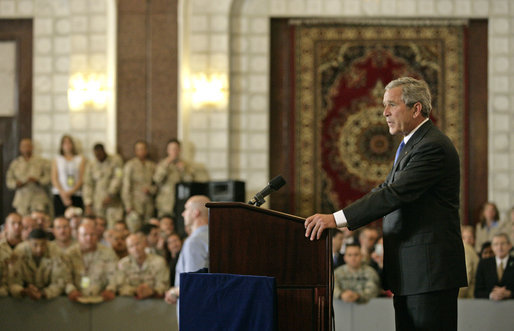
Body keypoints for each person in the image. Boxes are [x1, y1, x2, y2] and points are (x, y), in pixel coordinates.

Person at [304, 77, 466, 330]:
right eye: (384, 105)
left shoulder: (432, 146)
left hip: (429, 273)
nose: (385, 113)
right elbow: (385, 189)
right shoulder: (410, 144)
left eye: (391, 104)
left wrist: (336, 219)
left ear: (416, 108)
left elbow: (394, 194)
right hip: (413, 273)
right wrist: (344, 219)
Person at [164, 195, 210, 305]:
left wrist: (173, 292)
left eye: (186, 209)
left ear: (196, 213)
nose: (183, 213)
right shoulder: (215, 236)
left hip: (195, 308)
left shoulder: (195, 242)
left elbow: (193, 283)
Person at [153, 139, 209, 217]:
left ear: (179, 150)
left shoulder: (185, 164)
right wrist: (165, 166)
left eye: (176, 149)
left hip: (181, 201)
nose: (174, 151)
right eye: (172, 149)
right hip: (165, 202)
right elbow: (157, 180)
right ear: (168, 150)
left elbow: (190, 182)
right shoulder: (162, 164)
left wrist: (183, 170)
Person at [65, 221, 117, 301]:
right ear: (78, 236)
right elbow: (64, 276)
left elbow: (114, 274)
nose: (89, 238)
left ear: (97, 236)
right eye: (85, 235)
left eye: (92, 234)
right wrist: (71, 290)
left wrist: (110, 289)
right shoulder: (69, 254)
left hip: (102, 298)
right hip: (76, 299)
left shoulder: (108, 252)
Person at [8, 229, 67, 300]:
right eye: (35, 245)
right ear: (28, 243)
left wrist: (44, 293)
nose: (39, 249)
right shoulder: (19, 252)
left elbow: (60, 282)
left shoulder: (56, 252)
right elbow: (13, 282)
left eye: (43, 244)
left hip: (48, 297)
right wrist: (23, 291)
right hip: (24, 296)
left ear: (47, 242)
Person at [6, 138, 52, 216]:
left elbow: (49, 178)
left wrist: (38, 181)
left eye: (28, 146)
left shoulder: (42, 162)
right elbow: (9, 181)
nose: (26, 148)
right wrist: (16, 184)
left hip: (38, 198)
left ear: (32, 147)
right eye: (23, 146)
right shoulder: (16, 163)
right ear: (20, 148)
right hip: (22, 199)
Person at [83, 144, 124, 229]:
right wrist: (88, 203)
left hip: (113, 203)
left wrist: (111, 194)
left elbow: (118, 177)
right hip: (97, 203)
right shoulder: (91, 165)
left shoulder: (116, 161)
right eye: (95, 155)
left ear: (104, 151)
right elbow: (88, 184)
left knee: (113, 227)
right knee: (98, 227)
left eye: (99, 154)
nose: (98, 157)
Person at [117, 233, 169, 299]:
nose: (135, 248)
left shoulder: (159, 261)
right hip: (131, 302)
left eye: (137, 244)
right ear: (128, 250)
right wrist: (135, 290)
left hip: (155, 300)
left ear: (144, 244)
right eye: (131, 246)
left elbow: (164, 285)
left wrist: (152, 291)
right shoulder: (123, 264)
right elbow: (121, 287)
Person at [121, 140, 156, 232]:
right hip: (135, 204)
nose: (141, 151)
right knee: (134, 230)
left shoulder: (152, 166)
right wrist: (128, 205)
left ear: (146, 150)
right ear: (135, 151)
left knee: (148, 230)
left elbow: (156, 184)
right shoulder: (130, 165)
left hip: (148, 204)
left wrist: (151, 190)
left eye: (143, 149)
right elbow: (126, 187)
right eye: (138, 149)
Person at [51, 135, 86, 216]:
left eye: (69, 143)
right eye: (65, 143)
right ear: (61, 145)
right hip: (60, 194)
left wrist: (70, 192)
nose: (67, 145)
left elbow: (82, 178)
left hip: (76, 194)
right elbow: (54, 178)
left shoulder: (80, 159)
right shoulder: (57, 159)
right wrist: (63, 194)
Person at [474, 233, 513, 300]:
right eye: (496, 244)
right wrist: (491, 295)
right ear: (492, 247)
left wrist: (510, 293)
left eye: (503, 243)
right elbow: (477, 292)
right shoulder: (483, 264)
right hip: (489, 307)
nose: (499, 247)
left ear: (509, 245)